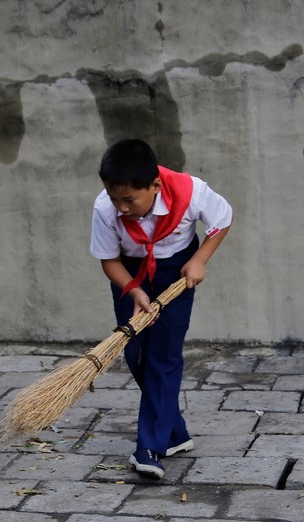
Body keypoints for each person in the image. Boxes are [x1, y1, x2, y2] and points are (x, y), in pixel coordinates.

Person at [89, 139, 232, 479]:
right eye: (115, 198)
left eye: (129, 200)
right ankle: (175, 433)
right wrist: (134, 290)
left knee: (163, 356)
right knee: (136, 354)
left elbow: (222, 218)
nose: (122, 207)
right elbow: (108, 259)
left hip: (176, 275)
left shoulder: (190, 191)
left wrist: (199, 260)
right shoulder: (105, 208)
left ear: (154, 185)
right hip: (129, 275)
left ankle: (149, 447)